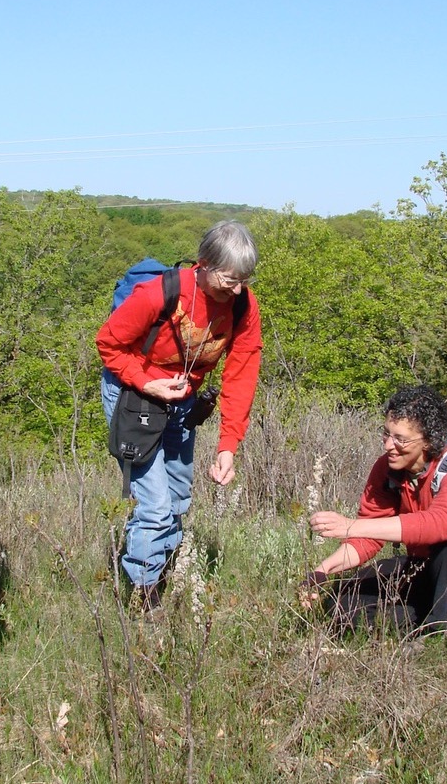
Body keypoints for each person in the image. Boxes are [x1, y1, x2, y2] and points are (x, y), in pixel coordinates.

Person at [96, 220, 263, 609]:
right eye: (228, 279)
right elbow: (108, 344)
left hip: (181, 402)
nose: (237, 289)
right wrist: (146, 382)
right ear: (203, 264)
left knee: (177, 496)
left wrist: (228, 446)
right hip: (134, 393)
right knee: (155, 505)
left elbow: (241, 373)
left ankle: (164, 571)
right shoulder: (160, 293)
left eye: (244, 280)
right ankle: (143, 599)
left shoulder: (242, 304)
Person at [303, 385, 447, 635]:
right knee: (343, 601)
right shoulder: (387, 469)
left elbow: (442, 523)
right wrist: (323, 570)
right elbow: (368, 537)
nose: (388, 446)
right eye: (386, 434)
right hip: (428, 567)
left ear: (428, 439)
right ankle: (422, 624)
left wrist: (350, 525)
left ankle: (438, 634)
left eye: (400, 439)